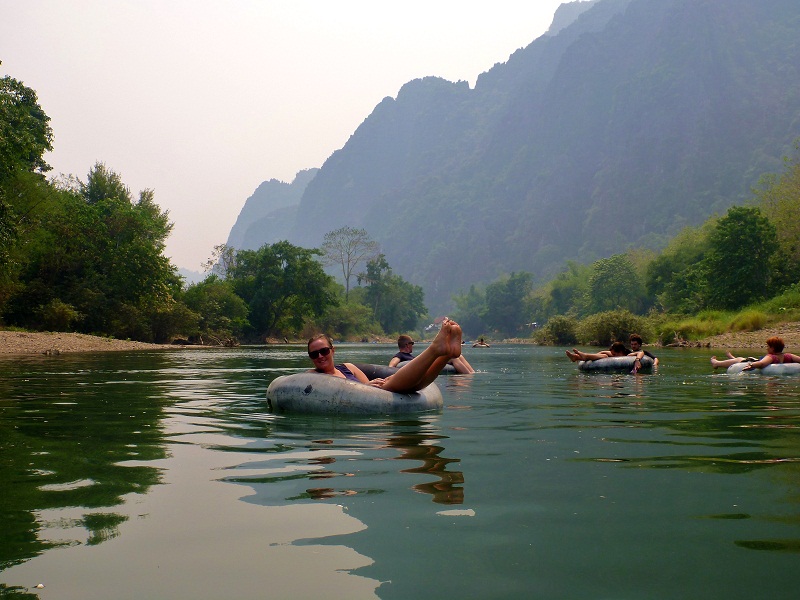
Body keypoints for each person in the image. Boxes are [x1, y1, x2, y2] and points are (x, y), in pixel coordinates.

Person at [307, 318, 464, 393]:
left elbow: (372, 385)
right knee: (398, 385)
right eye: (314, 354)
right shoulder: (312, 376)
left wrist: (372, 384)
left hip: (376, 395)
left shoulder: (348, 368)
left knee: (414, 385)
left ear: (332, 350)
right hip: (369, 396)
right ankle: (437, 350)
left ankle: (446, 354)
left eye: (324, 351)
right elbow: (367, 388)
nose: (320, 356)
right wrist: (366, 387)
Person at [389, 334, 476, 373]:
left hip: (426, 364)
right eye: (412, 343)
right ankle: (468, 376)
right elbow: (391, 366)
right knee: (453, 358)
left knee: (458, 355)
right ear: (407, 345)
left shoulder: (409, 356)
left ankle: (472, 372)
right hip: (427, 366)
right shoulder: (400, 355)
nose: (413, 346)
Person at [710, 336, 800, 370]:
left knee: (739, 360)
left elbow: (761, 363)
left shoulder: (771, 356)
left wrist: (752, 366)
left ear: (772, 348)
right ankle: (731, 357)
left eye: (768, 347)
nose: (766, 349)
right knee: (740, 359)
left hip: (754, 361)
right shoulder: (789, 356)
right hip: (756, 360)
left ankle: (716, 363)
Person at [566, 341, 646, 370]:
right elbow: (602, 352)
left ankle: (583, 356)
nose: (613, 355)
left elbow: (641, 352)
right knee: (604, 355)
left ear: (621, 352)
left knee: (605, 356)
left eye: (614, 354)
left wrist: (637, 360)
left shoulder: (629, 354)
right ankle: (577, 357)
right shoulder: (614, 355)